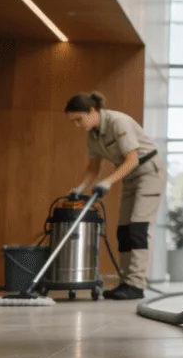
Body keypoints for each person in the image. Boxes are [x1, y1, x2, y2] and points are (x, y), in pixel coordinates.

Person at [65, 92, 164, 300]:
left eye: (78, 119)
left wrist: (108, 182)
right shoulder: (92, 134)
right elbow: (93, 168)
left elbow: (132, 159)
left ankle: (136, 284)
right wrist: (80, 188)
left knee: (138, 227)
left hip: (148, 171)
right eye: (73, 121)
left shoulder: (118, 122)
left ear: (92, 111)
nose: (76, 125)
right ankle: (126, 283)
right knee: (123, 230)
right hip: (129, 175)